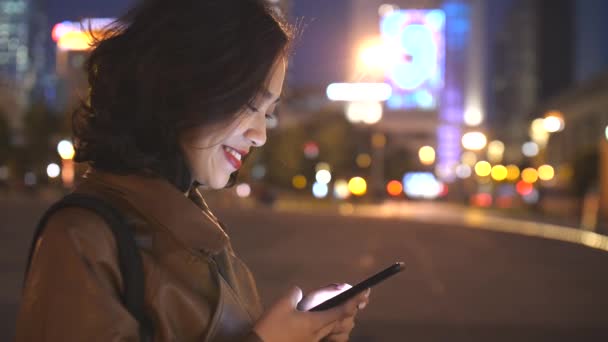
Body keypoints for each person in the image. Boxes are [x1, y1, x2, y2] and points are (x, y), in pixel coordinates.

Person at [15, 0, 370, 341]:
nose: (260, 135)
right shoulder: (82, 236)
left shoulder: (196, 226)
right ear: (185, 84)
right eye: (250, 104)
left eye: (269, 113)